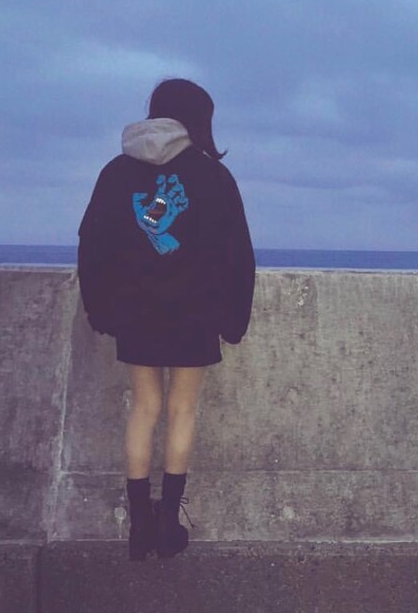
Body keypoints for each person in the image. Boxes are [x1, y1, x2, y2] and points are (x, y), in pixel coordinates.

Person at [77, 78, 256, 561]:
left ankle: (140, 524)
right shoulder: (213, 177)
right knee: (181, 411)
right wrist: (235, 319)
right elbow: (238, 254)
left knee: (144, 408)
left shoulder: (116, 172)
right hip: (195, 313)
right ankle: (168, 523)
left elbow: (92, 244)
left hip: (136, 312)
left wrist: (99, 309)